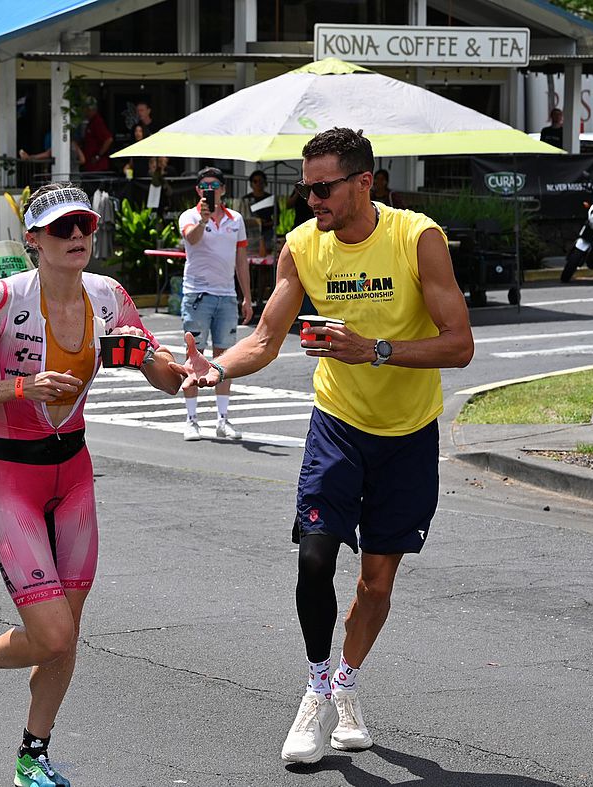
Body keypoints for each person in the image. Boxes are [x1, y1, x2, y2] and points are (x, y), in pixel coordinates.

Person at [178, 128, 474, 765]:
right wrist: (216, 371)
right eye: (305, 187)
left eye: (323, 187)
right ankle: (315, 690)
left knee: (375, 586)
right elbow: (265, 337)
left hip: (407, 434)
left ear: (364, 182)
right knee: (314, 559)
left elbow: (459, 344)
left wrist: (377, 350)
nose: (310, 198)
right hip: (337, 422)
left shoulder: (417, 239)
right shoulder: (302, 247)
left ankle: (346, 683)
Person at [0, 183, 184, 787]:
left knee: (67, 631)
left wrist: (184, 368)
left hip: (74, 473)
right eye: (62, 229)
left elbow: (161, 375)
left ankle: (32, 754)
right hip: (11, 473)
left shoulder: (110, 297)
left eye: (85, 228)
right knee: (51, 632)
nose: (77, 238)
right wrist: (18, 389)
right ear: (34, 240)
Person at [178, 166, 253, 442]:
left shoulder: (236, 219)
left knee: (225, 359)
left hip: (226, 295)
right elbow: (191, 238)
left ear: (223, 189)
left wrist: (246, 296)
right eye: (205, 186)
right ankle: (191, 420)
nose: (210, 190)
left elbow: (241, 259)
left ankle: (222, 420)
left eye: (215, 185)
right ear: (198, 190)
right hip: (197, 294)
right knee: (193, 356)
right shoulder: (190, 216)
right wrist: (203, 220)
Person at [242, 169, 278, 256]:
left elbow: (277, 220)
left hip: (268, 233)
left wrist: (264, 223)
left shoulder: (271, 199)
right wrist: (256, 222)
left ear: (265, 183)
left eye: (261, 181)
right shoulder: (246, 199)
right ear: (251, 184)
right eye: (255, 181)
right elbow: (243, 218)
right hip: (250, 234)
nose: (258, 183)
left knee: (267, 258)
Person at [78, 97, 112, 173]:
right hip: (90, 166)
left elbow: (109, 139)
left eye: (86, 109)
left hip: (98, 167)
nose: (85, 112)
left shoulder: (97, 122)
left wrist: (98, 156)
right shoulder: (90, 122)